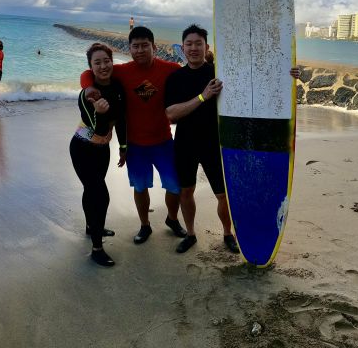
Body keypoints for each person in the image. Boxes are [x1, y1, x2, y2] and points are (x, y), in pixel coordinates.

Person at [165, 24, 301, 255]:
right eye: (189, 44)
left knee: (223, 194)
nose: (194, 48)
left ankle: (228, 234)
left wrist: (287, 73)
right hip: (185, 143)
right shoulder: (176, 78)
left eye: (199, 43)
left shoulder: (221, 72)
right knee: (186, 192)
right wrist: (203, 96)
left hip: (216, 143)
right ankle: (190, 234)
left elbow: (255, 81)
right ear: (183, 48)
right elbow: (171, 114)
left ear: (206, 46)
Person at [80, 26, 186, 245]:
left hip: (163, 141)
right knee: (140, 187)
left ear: (154, 47)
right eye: (135, 46)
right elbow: (89, 72)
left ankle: (172, 219)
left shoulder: (170, 69)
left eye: (144, 46)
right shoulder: (122, 71)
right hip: (136, 145)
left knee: (175, 186)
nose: (140, 50)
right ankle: (145, 225)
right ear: (129, 49)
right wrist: (88, 89)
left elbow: (191, 72)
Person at [70, 43, 126, 267]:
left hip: (103, 150)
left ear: (112, 62)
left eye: (106, 61)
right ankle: (97, 248)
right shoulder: (87, 95)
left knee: (92, 189)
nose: (103, 66)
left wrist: (123, 147)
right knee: (100, 195)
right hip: (82, 148)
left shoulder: (118, 87)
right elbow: (98, 127)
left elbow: (121, 119)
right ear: (90, 67)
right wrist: (101, 113)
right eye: (97, 62)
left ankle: (91, 226)